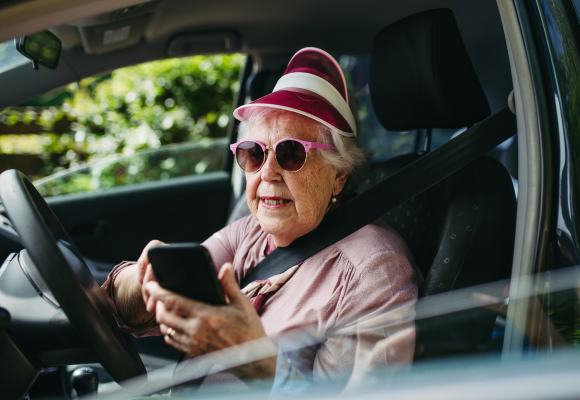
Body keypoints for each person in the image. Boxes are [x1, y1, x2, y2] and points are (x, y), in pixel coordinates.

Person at [101, 47, 421, 390]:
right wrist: (142, 278)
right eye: (253, 153)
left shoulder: (373, 270)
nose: (268, 172)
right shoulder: (250, 232)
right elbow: (134, 311)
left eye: (291, 153)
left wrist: (253, 360)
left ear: (339, 174)